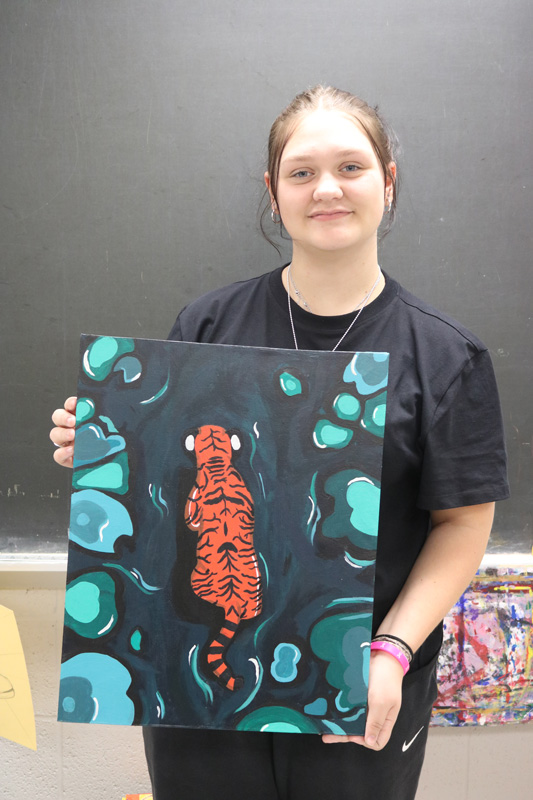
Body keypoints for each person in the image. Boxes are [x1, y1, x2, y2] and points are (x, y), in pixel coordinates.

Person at [50, 85, 509, 800]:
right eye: (300, 172)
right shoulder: (205, 325)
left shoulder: (447, 355)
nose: (326, 188)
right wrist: (106, 455)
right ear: (273, 193)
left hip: (356, 678)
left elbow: (462, 524)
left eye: (350, 167)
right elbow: (164, 493)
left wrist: (389, 652)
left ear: (387, 182)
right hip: (199, 682)